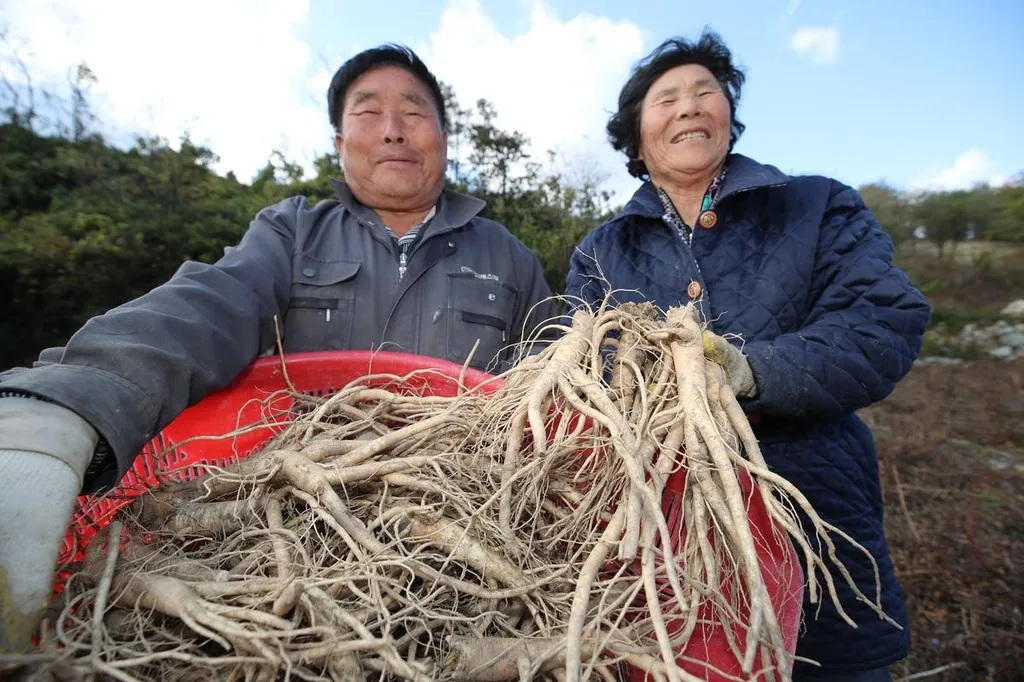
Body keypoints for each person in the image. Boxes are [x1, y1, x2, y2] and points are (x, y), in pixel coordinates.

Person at [0, 43, 557, 653]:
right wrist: (69, 398)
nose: (394, 131)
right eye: (368, 113)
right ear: (340, 142)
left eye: (415, 113)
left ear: (445, 138)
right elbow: (204, 307)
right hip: (285, 512)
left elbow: (554, 387)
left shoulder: (509, 257)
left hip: (468, 519)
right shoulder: (292, 233)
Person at [564, 30, 931, 682]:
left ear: (729, 115)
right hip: (656, 537)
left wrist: (751, 370)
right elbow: (581, 373)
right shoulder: (601, 251)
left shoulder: (816, 206)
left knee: (824, 662)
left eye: (706, 91)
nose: (689, 106)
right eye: (666, 97)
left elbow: (880, 324)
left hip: (815, 519)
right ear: (636, 135)